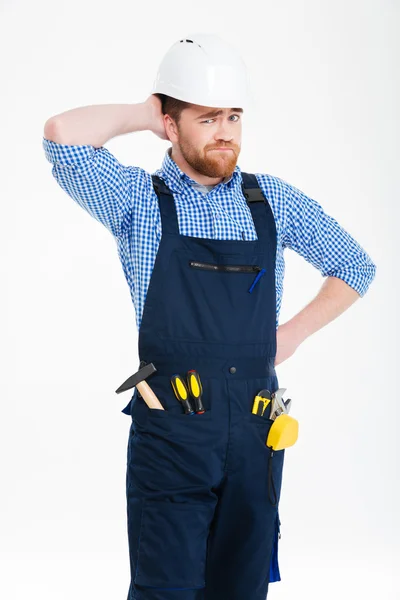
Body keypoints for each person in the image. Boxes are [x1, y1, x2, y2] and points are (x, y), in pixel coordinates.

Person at [42, 33, 376, 600]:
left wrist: (288, 337)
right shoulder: (135, 200)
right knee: (164, 590)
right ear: (171, 125)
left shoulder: (272, 201)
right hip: (172, 432)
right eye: (206, 118)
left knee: (240, 589)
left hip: (254, 432)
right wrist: (145, 113)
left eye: (234, 117)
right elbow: (61, 135)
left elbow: (355, 267)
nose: (225, 132)